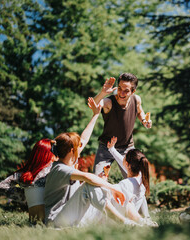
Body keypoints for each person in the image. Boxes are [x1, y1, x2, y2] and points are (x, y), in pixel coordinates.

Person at [44, 98, 143, 228]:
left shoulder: (69, 162)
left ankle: (141, 222)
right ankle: (124, 223)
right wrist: (111, 188)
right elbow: (87, 177)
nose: (81, 146)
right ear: (72, 150)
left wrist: (96, 114)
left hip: (74, 215)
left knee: (104, 187)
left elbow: (84, 139)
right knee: (90, 185)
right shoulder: (59, 169)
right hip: (57, 221)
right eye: (78, 146)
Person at [92, 73, 152, 177]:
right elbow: (93, 104)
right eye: (119, 88)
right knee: (98, 181)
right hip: (106, 148)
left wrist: (144, 120)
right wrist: (102, 93)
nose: (121, 93)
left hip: (127, 148)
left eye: (126, 90)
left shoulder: (136, 99)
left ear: (133, 91)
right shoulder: (109, 102)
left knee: (134, 180)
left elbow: (139, 111)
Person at [0, 139, 57, 223]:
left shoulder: (24, 173)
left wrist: (24, 196)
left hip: (32, 223)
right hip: (50, 222)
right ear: (50, 153)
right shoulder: (53, 169)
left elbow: (1, 186)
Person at [103, 136, 158, 227]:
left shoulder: (125, 184)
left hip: (118, 222)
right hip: (131, 219)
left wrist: (103, 181)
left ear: (128, 165)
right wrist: (112, 149)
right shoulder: (141, 180)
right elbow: (125, 164)